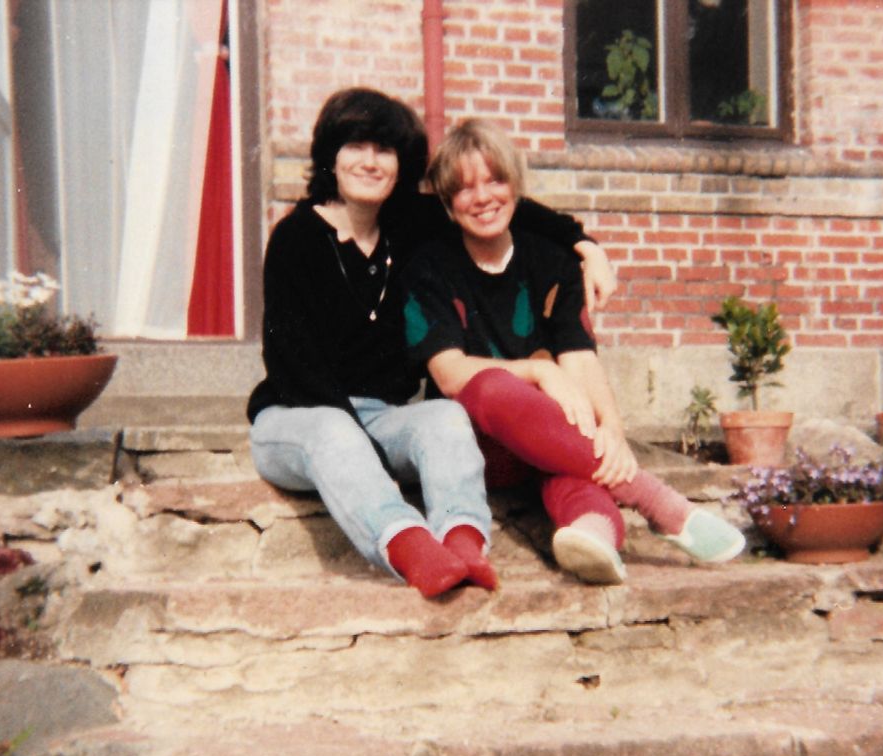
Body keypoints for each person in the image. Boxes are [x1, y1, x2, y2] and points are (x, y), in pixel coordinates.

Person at [247, 89, 614, 598]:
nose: (370, 162)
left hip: (381, 415)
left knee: (444, 416)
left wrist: (586, 245)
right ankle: (409, 547)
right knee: (333, 430)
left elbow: (500, 205)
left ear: (402, 165)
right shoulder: (294, 239)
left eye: (385, 150)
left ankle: (463, 543)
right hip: (297, 418)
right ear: (331, 155)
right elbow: (292, 366)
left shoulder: (406, 225)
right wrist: (366, 449)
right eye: (356, 146)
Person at [403, 118, 745, 584]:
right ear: (447, 201)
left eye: (495, 179)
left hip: (556, 441)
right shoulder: (429, 266)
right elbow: (449, 374)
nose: (482, 197)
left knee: (569, 467)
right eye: (464, 188)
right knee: (491, 386)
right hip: (479, 448)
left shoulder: (554, 262)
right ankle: (658, 503)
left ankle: (593, 536)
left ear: (516, 184)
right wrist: (541, 374)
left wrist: (614, 431)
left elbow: (579, 355)